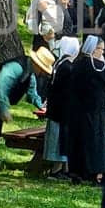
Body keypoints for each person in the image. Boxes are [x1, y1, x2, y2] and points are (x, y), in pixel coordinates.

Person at [0, 49, 53, 170]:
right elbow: (1, 84)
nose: (42, 73)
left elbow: (32, 92)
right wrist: (4, 109)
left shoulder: (30, 73)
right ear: (37, 64)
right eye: (42, 70)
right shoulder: (17, 67)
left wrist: (41, 106)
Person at [69, 36, 105, 183]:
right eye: (101, 49)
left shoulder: (77, 64)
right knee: (96, 141)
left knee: (80, 139)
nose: (102, 53)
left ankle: (78, 170)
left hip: (79, 107)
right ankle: (95, 172)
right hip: (97, 109)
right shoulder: (99, 65)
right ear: (94, 49)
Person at [41, 37, 80, 177]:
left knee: (59, 138)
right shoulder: (68, 67)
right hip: (62, 110)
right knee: (60, 140)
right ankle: (56, 170)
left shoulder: (60, 63)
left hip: (56, 108)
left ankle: (62, 168)